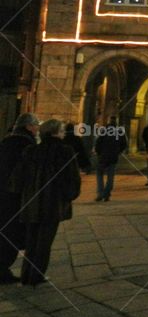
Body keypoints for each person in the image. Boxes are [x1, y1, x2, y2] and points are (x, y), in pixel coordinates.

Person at [11, 119, 81, 286]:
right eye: (62, 130)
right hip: (52, 204)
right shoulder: (65, 151)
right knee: (44, 242)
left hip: (30, 203)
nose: (64, 133)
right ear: (56, 132)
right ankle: (36, 276)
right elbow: (72, 179)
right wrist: (68, 196)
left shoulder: (31, 150)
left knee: (31, 241)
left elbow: (17, 179)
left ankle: (26, 275)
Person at [0, 113, 38, 284]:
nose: (37, 129)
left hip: (3, 195)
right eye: (35, 125)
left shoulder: (5, 142)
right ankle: (3, 270)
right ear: (28, 126)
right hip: (16, 198)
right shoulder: (27, 145)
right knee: (12, 234)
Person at [94, 117, 127, 201]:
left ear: (108, 121)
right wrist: (118, 151)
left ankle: (100, 193)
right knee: (110, 176)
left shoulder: (104, 130)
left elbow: (98, 143)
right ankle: (107, 194)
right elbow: (124, 144)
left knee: (99, 174)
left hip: (103, 157)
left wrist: (99, 153)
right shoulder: (120, 131)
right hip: (113, 157)